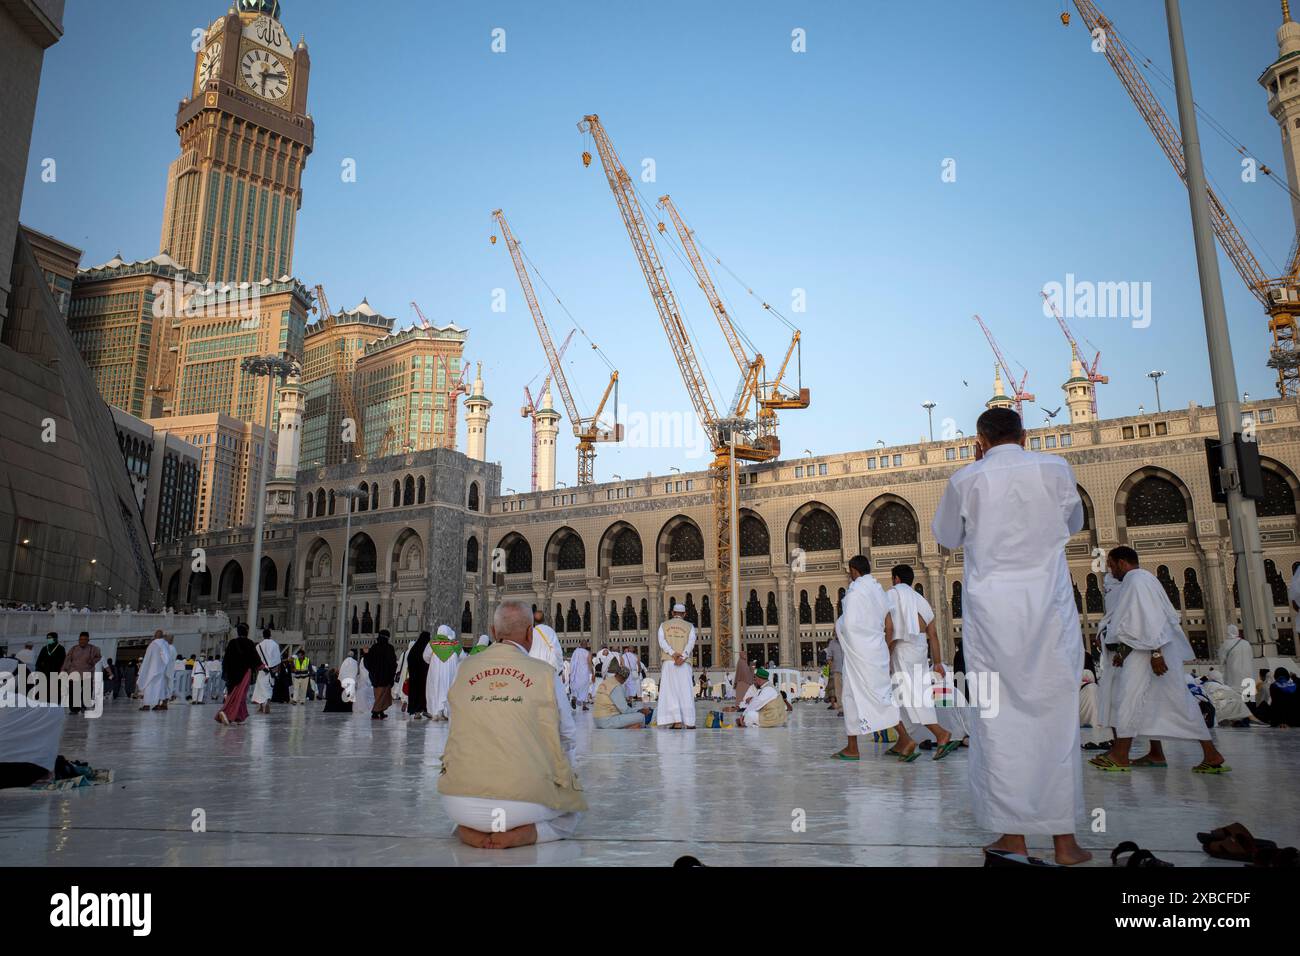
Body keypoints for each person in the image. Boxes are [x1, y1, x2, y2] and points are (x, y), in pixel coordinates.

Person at [932, 406, 1091, 865]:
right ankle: (1065, 844)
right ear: (1026, 436)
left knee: (998, 720)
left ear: (979, 440)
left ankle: (1015, 839)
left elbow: (947, 535)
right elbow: (1073, 523)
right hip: (1049, 613)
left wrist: (977, 468)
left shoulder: (967, 479)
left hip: (993, 616)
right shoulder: (1056, 468)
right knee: (1055, 722)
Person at [438, 602, 585, 848]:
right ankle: (525, 834)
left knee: (466, 799)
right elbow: (567, 736)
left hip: (459, 804)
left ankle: (467, 830)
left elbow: (453, 724)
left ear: (493, 633)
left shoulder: (464, 669)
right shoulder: (545, 674)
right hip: (524, 806)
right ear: (530, 634)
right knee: (570, 810)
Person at [1092, 547, 1229, 774]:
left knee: (1129, 698)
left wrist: (1155, 652)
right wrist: (1122, 652)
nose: (1111, 571)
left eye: (1112, 566)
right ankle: (1207, 754)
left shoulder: (1136, 580)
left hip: (1150, 652)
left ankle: (1120, 755)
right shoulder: (1141, 579)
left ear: (1123, 563)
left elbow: (1150, 618)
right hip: (1145, 650)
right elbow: (1133, 622)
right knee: (1172, 702)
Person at [830, 556, 899, 760]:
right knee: (881, 698)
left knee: (852, 697)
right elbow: (889, 626)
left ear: (853, 570)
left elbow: (849, 625)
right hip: (877, 651)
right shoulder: (878, 590)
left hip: (859, 654)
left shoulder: (856, 592)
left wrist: (841, 629)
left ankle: (853, 748)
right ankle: (904, 739)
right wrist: (883, 648)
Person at [886, 565, 957, 761]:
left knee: (908, 698)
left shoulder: (892, 595)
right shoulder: (921, 600)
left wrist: (884, 654)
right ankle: (903, 741)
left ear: (896, 579)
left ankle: (940, 734)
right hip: (920, 651)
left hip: (902, 650)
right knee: (907, 697)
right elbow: (932, 634)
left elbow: (890, 628)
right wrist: (938, 662)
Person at [656, 603, 696, 729]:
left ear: (672, 613)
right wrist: (683, 656)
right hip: (684, 664)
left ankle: (677, 722)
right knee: (686, 691)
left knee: (670, 692)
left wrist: (673, 654)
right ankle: (689, 722)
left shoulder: (664, 625)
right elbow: (691, 643)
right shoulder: (690, 626)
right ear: (684, 614)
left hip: (669, 662)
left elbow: (662, 642)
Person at [217, 624, 259, 725]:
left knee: (233, 693)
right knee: (239, 695)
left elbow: (226, 659)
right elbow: (255, 658)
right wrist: (262, 667)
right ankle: (226, 712)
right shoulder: (249, 643)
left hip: (232, 673)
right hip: (244, 673)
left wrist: (226, 672)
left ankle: (239, 717)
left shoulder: (232, 643)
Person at [593, 659, 654, 729]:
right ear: (625, 679)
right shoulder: (616, 686)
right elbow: (625, 710)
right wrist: (640, 711)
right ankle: (631, 725)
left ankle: (629, 725)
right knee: (641, 716)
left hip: (597, 720)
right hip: (607, 721)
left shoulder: (607, 681)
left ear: (616, 674)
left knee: (635, 715)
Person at [423, 625, 461, 720]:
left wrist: (433, 661)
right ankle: (446, 712)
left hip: (435, 671)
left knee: (435, 688)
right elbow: (463, 658)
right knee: (448, 688)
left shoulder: (432, 644)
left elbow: (425, 657)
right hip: (450, 672)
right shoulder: (455, 644)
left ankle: (435, 712)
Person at [59, 632, 101, 715]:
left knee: (86, 692)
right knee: (73, 692)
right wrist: (63, 670)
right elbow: (67, 660)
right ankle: (74, 709)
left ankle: (83, 706)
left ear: (88, 640)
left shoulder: (93, 649)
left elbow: (98, 657)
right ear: (78, 640)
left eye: (85, 639)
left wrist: (92, 661)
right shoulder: (73, 649)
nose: (82, 641)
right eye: (81, 639)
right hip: (74, 673)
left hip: (87, 673)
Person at [365, 630, 398, 720]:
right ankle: (375, 712)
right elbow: (393, 663)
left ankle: (381, 711)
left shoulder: (374, 648)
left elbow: (368, 663)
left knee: (379, 696)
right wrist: (392, 674)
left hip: (376, 677)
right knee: (381, 696)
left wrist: (372, 672)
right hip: (386, 677)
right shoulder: (389, 648)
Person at [137, 631, 174, 711]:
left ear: (155, 636)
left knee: (149, 687)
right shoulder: (165, 644)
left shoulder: (153, 644)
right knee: (159, 688)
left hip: (151, 670)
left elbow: (147, 658)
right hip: (161, 670)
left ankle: (146, 705)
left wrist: (144, 669)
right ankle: (156, 704)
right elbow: (167, 658)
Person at [1218, 625, 1253, 702]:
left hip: (1233, 674)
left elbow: (1221, 660)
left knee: (1236, 698)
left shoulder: (1226, 644)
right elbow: (1251, 658)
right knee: (1248, 697)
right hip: (1248, 672)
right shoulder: (1246, 643)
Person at [251, 628, 281, 715]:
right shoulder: (275, 644)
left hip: (262, 669)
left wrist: (257, 669)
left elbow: (256, 660)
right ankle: (267, 701)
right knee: (269, 687)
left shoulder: (258, 645)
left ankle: (260, 706)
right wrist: (277, 670)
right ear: (270, 634)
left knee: (260, 687)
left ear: (263, 635)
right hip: (272, 670)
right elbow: (278, 659)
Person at [406, 631, 432, 719]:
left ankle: (420, 711)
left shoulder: (414, 649)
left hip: (415, 677)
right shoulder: (425, 649)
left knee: (416, 693)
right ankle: (422, 710)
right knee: (423, 693)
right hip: (422, 677)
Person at [34, 633, 64, 703]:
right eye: (48, 638)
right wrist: (38, 670)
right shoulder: (44, 648)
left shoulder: (61, 649)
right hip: (44, 673)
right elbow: (39, 661)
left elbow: (63, 662)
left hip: (55, 673)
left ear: (55, 638)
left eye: (50, 638)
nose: (49, 639)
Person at [824, 634, 843, 713]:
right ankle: (841, 709)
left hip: (848, 670)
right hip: (836, 671)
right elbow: (828, 658)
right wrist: (832, 669)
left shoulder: (847, 640)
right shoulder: (832, 644)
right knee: (836, 690)